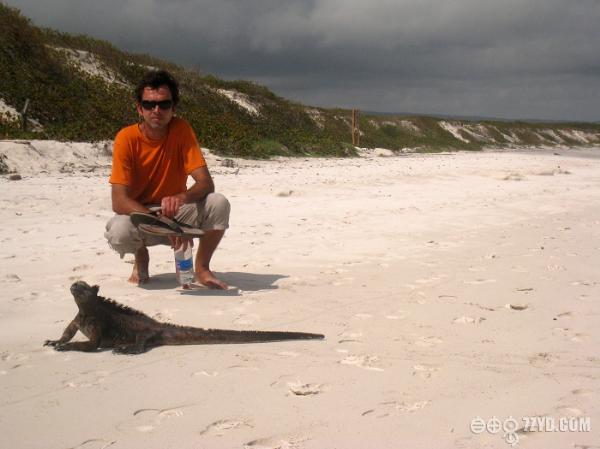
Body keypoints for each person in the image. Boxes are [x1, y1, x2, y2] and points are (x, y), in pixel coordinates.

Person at [104, 69, 230, 289]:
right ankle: (140, 255)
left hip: (177, 211)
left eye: (164, 104)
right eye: (149, 104)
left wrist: (181, 197)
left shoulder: (181, 130)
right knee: (119, 232)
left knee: (219, 203)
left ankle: (201, 268)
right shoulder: (126, 138)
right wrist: (162, 223)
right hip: (142, 214)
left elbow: (205, 183)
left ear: (173, 108)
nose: (157, 110)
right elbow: (119, 201)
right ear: (139, 108)